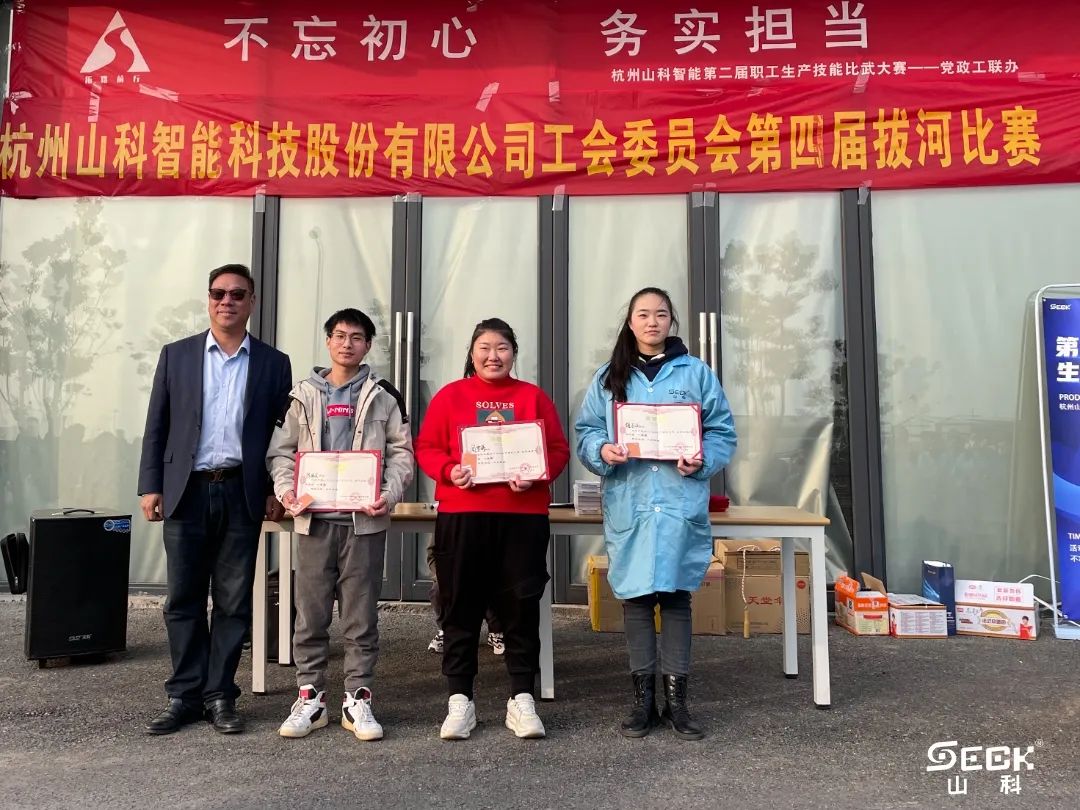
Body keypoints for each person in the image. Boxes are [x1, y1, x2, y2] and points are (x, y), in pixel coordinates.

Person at [574, 287, 736, 741]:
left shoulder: (696, 373)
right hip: (632, 500)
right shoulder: (608, 376)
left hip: (679, 499)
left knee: (678, 597)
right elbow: (586, 431)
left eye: (660, 314)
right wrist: (602, 450)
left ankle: (677, 702)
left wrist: (701, 459)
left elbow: (721, 430)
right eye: (643, 315)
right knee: (638, 600)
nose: (652, 322)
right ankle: (643, 701)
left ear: (671, 322)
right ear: (630, 323)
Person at [138, 263, 292, 735]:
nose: (227, 301)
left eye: (237, 294)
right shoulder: (177, 355)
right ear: (208, 299)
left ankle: (220, 695)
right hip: (186, 491)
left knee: (233, 602)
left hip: (242, 492)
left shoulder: (273, 363)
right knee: (183, 599)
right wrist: (150, 484)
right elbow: (157, 423)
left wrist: (275, 489)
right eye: (218, 293)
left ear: (252, 303)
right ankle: (184, 696)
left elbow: (282, 437)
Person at [415, 318, 569, 741]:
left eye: (502, 347)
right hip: (463, 514)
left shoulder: (532, 396)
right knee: (459, 606)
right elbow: (427, 447)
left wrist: (536, 474)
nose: (493, 356)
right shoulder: (451, 396)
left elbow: (557, 449)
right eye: (484, 347)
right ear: (472, 353)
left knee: (521, 606)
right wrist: (449, 470)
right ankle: (459, 700)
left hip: (522, 517)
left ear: (513, 353)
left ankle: (522, 697)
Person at [266, 308, 413, 742]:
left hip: (363, 522)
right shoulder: (300, 395)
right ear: (328, 341)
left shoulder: (384, 395)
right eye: (340, 335)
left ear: (368, 345)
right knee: (310, 617)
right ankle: (310, 698)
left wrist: (388, 494)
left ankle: (357, 698)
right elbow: (280, 452)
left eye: (357, 337)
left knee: (360, 617)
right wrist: (286, 492)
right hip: (313, 522)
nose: (347, 344)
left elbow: (402, 453)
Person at [427, 539, 504, 656]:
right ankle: (445, 631)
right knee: (438, 590)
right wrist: (442, 576)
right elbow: (432, 554)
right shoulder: (445, 527)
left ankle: (496, 632)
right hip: (452, 572)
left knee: (491, 585)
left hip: (482, 570)